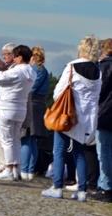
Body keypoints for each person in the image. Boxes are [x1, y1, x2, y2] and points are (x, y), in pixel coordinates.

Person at [42, 36, 102, 202]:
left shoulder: (72, 66)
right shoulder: (98, 72)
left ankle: (57, 187)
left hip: (68, 115)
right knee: (79, 153)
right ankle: (82, 190)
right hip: (87, 117)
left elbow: (58, 93)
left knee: (59, 150)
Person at [0, 44, 36, 181]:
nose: (14, 59)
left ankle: (9, 168)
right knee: (15, 139)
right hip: (20, 108)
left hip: (7, 107)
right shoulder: (31, 72)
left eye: (15, 56)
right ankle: (16, 169)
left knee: (7, 140)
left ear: (20, 58)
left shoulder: (18, 71)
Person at [20, 46, 49, 180]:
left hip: (32, 104)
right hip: (38, 105)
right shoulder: (42, 70)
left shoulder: (36, 70)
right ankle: (30, 170)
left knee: (26, 138)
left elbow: (31, 87)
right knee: (32, 140)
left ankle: (25, 169)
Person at [94, 38, 112, 202]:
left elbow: (100, 90)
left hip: (105, 113)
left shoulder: (104, 67)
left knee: (104, 152)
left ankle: (106, 186)